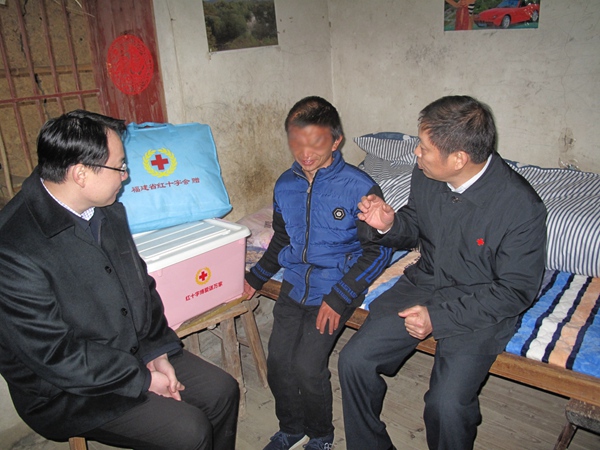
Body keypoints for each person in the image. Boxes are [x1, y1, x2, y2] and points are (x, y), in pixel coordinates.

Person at [0, 110, 239, 450]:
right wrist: (143, 379)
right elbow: (55, 355)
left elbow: (140, 284)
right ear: (81, 174)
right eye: (120, 166)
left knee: (222, 391)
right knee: (190, 430)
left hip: (134, 349)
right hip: (68, 389)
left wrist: (157, 350)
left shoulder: (107, 207)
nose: (125, 177)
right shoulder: (13, 249)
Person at [338, 95, 547, 450]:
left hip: (480, 304)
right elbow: (416, 223)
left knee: (446, 405)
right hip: (426, 283)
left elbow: (515, 291)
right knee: (353, 361)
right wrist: (388, 224)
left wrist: (437, 318)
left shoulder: (521, 207)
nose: (416, 153)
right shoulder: (428, 175)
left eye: (424, 147)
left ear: (458, 159)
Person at [244, 96, 393, 450]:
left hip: (336, 287)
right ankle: (291, 428)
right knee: (279, 363)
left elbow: (379, 251)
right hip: (294, 285)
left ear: (336, 140)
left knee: (308, 367)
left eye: (316, 142)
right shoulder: (286, 184)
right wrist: (255, 278)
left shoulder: (359, 188)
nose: (305, 152)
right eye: (297, 142)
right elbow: (282, 239)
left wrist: (340, 297)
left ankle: (322, 435)